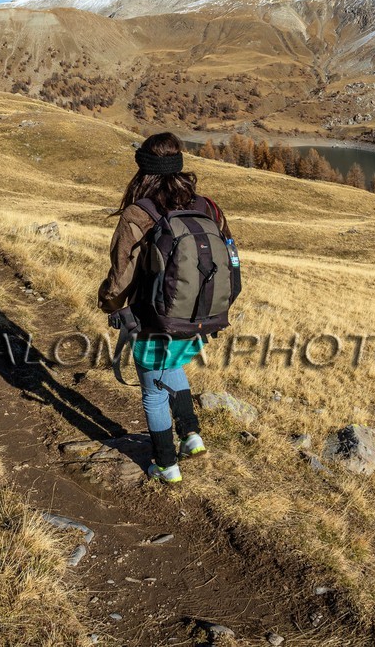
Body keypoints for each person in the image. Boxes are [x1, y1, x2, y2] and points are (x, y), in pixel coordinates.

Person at [97, 132, 235, 484]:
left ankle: (165, 464)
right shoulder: (207, 206)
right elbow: (229, 257)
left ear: (143, 169)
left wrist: (110, 303)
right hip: (197, 314)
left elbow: (122, 271)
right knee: (171, 366)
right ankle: (191, 436)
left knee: (153, 392)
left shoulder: (140, 212)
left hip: (153, 316)